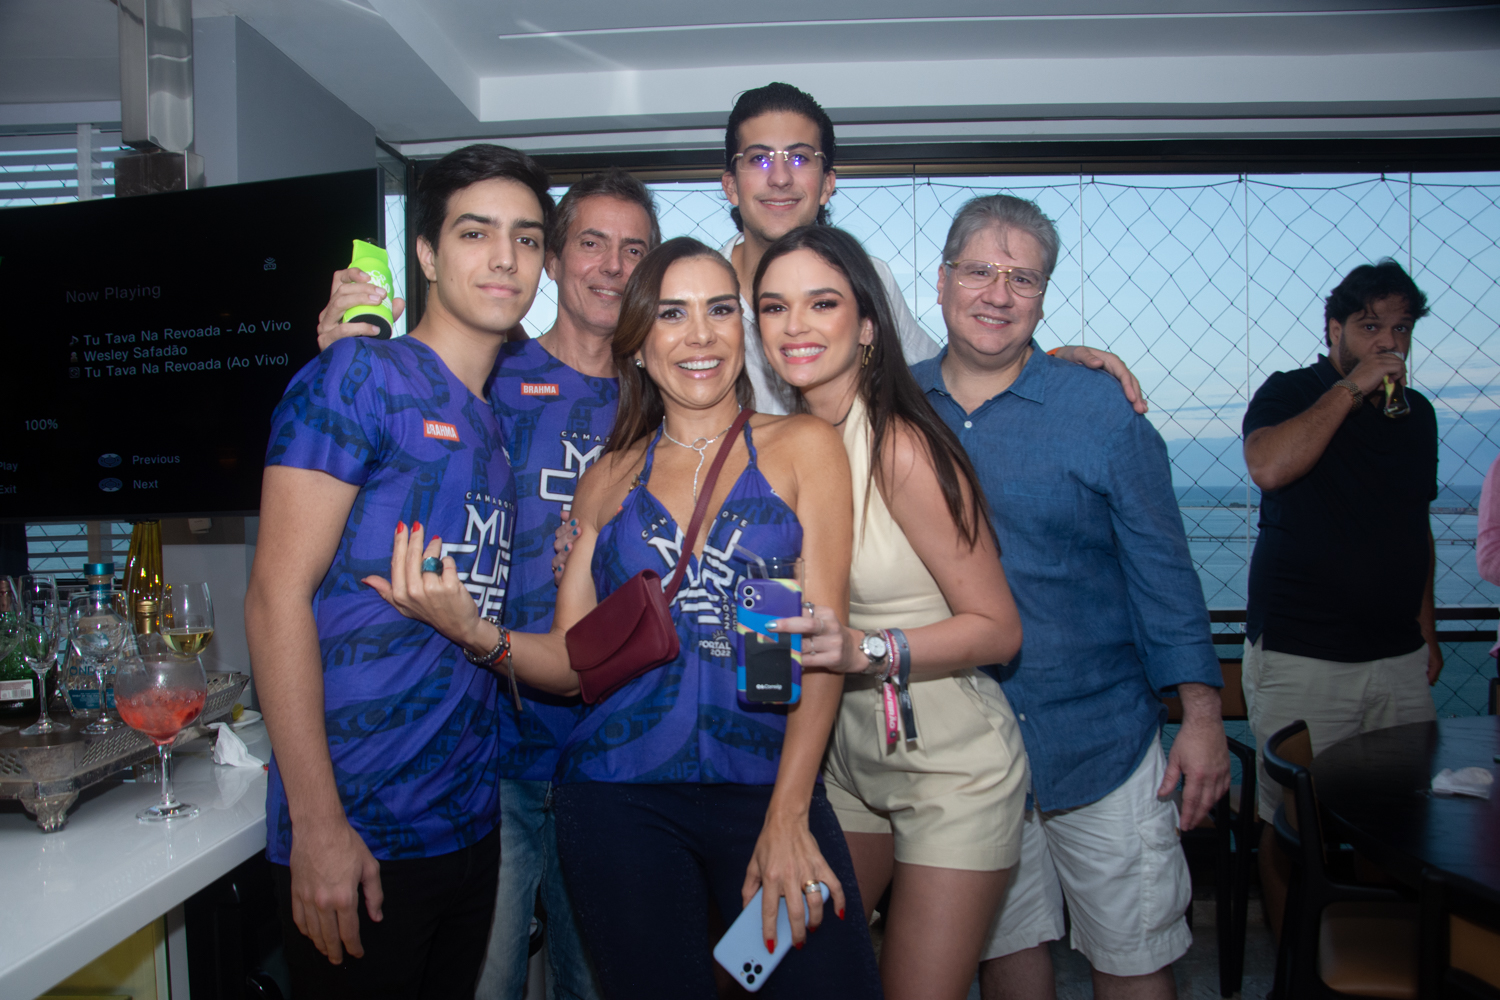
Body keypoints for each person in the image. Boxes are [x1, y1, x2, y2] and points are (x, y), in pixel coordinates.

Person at [369, 236, 884, 999]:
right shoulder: (609, 477)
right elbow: (572, 663)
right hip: (620, 797)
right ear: (638, 343)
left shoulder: (805, 447)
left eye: (719, 310)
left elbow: (822, 646)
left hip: (766, 788)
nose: (700, 335)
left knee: (817, 983)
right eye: (672, 314)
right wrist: (476, 632)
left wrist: (788, 814)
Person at [316, 167, 659, 999]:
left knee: (596, 983)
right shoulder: (484, 369)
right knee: (485, 979)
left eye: (635, 250)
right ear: (555, 260)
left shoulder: (665, 394)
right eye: (591, 243)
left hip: (611, 751)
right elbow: (369, 440)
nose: (613, 266)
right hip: (482, 757)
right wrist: (350, 349)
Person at [244, 143, 552, 997]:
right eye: (475, 232)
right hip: (358, 831)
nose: (504, 257)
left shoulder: (489, 423)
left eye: (527, 238)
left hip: (466, 825)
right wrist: (318, 827)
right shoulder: (358, 377)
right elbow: (274, 596)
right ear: (426, 254)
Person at [908, 195, 1229, 1000]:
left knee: (1135, 959)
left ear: (1044, 296)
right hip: (963, 755)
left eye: (1023, 278)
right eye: (979, 271)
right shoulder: (892, 408)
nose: (998, 294)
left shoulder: (1101, 412)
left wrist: (1201, 718)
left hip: (1102, 744)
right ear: (942, 281)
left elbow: (1165, 573)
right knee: (1008, 952)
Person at [751, 225, 1027, 1000]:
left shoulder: (901, 446)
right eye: (774, 306)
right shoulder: (783, 447)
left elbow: (1000, 630)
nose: (795, 325)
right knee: (751, 968)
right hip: (843, 762)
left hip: (952, 770)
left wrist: (864, 650)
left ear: (868, 325)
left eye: (822, 303)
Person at [718, 82, 1147, 417]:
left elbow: (939, 374)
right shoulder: (699, 291)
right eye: (758, 159)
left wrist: (1046, 363)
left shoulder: (869, 278)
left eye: (799, 158)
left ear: (827, 183)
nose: (779, 178)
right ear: (731, 185)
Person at [1240, 258, 1440, 940]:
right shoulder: (1291, 390)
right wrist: (1350, 389)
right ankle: (1292, 967)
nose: (1388, 342)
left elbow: (1415, 525)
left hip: (1397, 656)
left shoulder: (1418, 415)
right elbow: (1269, 466)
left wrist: (1428, 630)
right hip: (1304, 650)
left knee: (1401, 824)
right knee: (1290, 824)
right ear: (1334, 329)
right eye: (1370, 326)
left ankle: (1372, 958)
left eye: (1400, 329)